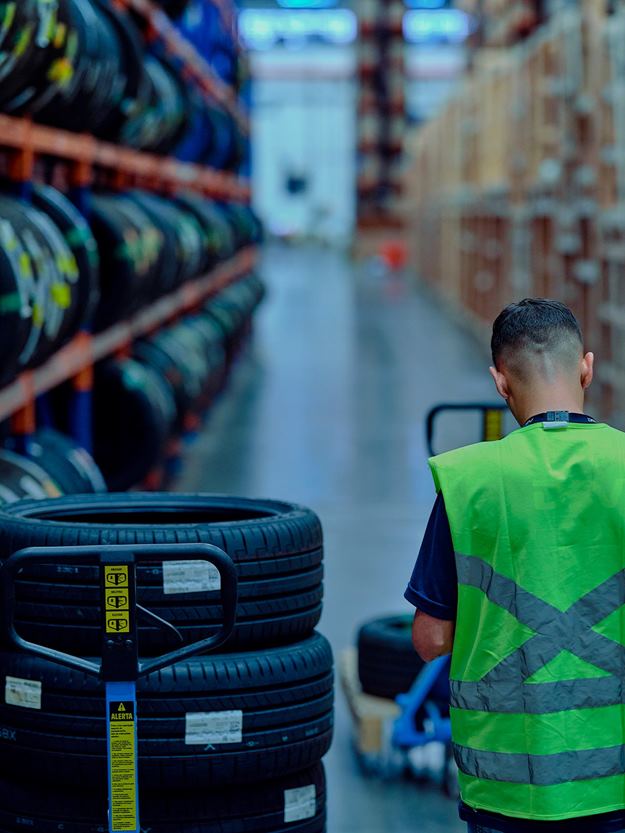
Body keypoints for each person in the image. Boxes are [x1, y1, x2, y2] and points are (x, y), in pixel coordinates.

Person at [406, 298, 625, 832]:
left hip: (507, 789)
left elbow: (431, 639)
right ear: (586, 367)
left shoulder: (470, 480)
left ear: (500, 382)